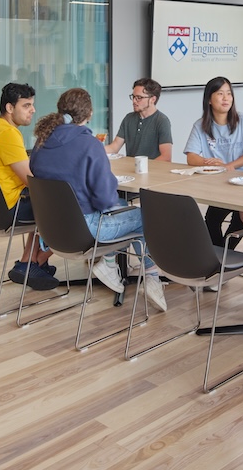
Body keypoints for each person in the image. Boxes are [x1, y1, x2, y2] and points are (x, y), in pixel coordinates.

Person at [30, 88, 167, 311]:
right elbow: (104, 200)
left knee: (122, 207)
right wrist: (109, 181)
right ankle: (151, 276)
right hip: (85, 231)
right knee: (144, 216)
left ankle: (111, 264)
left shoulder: (41, 142)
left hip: (51, 230)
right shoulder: (89, 144)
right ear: (89, 114)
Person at [0, 82, 58, 290]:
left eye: (32, 105)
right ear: (10, 108)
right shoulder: (8, 134)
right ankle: (33, 262)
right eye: (26, 106)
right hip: (7, 210)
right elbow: (31, 181)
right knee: (60, 202)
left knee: (43, 200)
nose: (33, 110)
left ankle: (33, 263)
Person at [185, 76, 243, 248]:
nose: (226, 98)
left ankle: (225, 256)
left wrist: (229, 166)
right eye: (220, 94)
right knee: (211, 219)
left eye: (229, 94)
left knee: (239, 219)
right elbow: (191, 157)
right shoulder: (201, 125)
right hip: (221, 184)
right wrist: (207, 162)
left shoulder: (242, 121)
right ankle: (220, 259)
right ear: (209, 100)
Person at [104, 78, 173, 161]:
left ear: (152, 99)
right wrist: (93, 148)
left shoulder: (162, 121)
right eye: (133, 97)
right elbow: (114, 147)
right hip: (130, 170)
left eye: (139, 97)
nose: (134, 101)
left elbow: (166, 157)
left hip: (151, 171)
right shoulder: (128, 118)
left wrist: (143, 167)